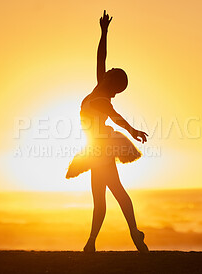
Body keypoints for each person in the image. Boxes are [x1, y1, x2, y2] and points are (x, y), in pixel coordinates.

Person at [66, 10, 149, 253]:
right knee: (102, 199)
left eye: (111, 73)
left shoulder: (102, 98)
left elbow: (116, 118)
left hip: (100, 149)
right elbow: (101, 57)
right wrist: (104, 32)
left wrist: (132, 130)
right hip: (94, 149)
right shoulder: (99, 87)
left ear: (112, 82)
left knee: (115, 194)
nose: (108, 69)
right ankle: (94, 242)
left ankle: (130, 236)